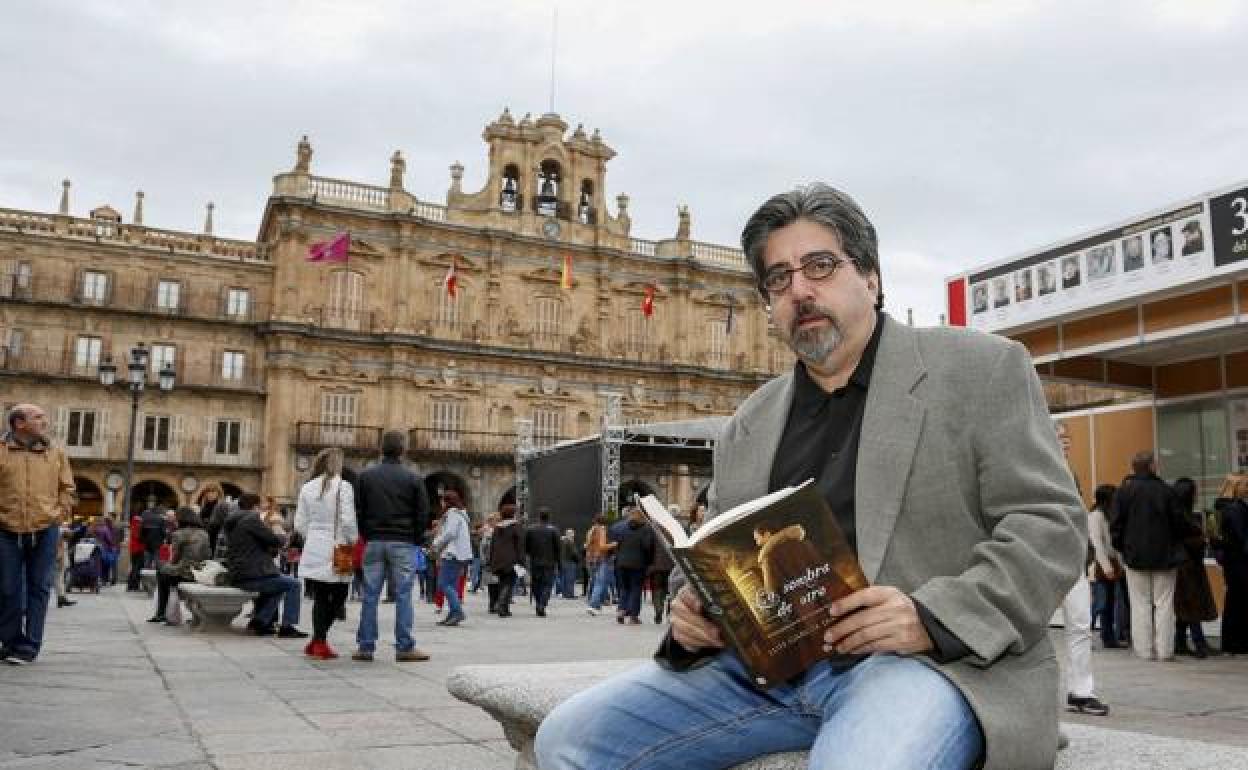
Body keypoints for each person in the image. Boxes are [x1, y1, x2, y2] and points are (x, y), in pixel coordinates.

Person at [535, 183, 1085, 770]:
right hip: (759, 675)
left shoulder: (978, 368)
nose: (799, 289)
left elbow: (1049, 525)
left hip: (928, 668)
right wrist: (692, 613)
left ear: (870, 277)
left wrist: (930, 618)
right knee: (567, 737)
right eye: (778, 278)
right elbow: (712, 557)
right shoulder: (751, 422)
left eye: (820, 266)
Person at [0, 403, 76, 664]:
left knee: (39, 587)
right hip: (6, 529)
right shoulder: (1, 451)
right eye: (38, 417)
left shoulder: (56, 453)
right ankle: (10, 641)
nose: (45, 421)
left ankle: (30, 646)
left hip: (46, 529)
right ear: (19, 423)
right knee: (7, 588)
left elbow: (68, 488)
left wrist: (57, 514)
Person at [352, 430, 431, 662]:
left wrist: (368, 535)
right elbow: (423, 512)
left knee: (370, 595)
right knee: (404, 594)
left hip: (374, 541)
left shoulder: (365, 477)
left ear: (381, 449)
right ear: (403, 450)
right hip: (403, 542)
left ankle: (366, 646)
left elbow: (359, 510)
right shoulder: (413, 478)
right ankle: (404, 647)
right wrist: (415, 538)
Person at [1052, 422, 1109, 717]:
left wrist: (1085, 552)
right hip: (1043, 561)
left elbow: (1077, 517)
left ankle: (1081, 692)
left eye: (1067, 437)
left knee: (1081, 624)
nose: (1066, 442)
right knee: (1029, 629)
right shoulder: (1034, 469)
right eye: (1059, 436)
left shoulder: (1069, 473)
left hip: (1072, 560)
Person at [1110, 450, 1189, 661]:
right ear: (1153, 466)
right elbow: (1180, 523)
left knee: (1139, 604)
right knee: (1164, 603)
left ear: (1133, 467)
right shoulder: (1167, 491)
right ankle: (1165, 650)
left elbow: (1115, 526)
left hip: (1134, 556)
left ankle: (1144, 651)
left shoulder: (1123, 492)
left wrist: (1123, 549)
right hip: (1166, 555)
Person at [293, 447, 357, 660]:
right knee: (340, 595)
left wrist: (313, 536)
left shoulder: (307, 487)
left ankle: (316, 641)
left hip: (315, 544)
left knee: (320, 595)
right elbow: (347, 521)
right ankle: (319, 641)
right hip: (341, 546)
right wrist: (354, 541)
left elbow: (300, 523)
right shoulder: (344, 487)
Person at [225, 492, 308, 639]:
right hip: (251, 575)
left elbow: (257, 545)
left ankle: (260, 622)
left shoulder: (235, 520)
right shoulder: (251, 519)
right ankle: (287, 627)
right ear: (255, 506)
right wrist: (281, 531)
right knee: (294, 584)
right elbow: (275, 540)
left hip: (241, 573)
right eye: (261, 505)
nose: (263, 508)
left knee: (278, 587)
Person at [1171, 477, 1219, 658]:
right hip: (1186, 566)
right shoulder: (1182, 517)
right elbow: (1183, 540)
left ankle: (1181, 642)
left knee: (1185, 607)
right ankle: (1198, 643)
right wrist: (1202, 540)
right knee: (1191, 605)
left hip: (1189, 565)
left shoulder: (1183, 514)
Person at [148, 507, 211, 625]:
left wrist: (165, 565)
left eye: (176, 519)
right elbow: (207, 555)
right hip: (200, 572)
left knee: (161, 570)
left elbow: (174, 559)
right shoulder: (204, 533)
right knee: (164, 571)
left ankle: (161, 612)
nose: (175, 521)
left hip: (184, 573)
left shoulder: (178, 534)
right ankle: (162, 613)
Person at [1213, 473, 1248, 655]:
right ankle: (1238, 642)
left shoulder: (1221, 507)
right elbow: (1243, 537)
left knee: (1234, 601)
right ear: (1236, 487)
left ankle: (1231, 642)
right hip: (1239, 562)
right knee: (1239, 602)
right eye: (1245, 485)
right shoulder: (1236, 509)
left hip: (1231, 561)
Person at [1087, 484, 1123, 649]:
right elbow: (1097, 544)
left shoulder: (1108, 515)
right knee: (1101, 603)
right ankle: (1087, 635)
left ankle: (1108, 638)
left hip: (1110, 563)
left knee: (1108, 603)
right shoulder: (1096, 516)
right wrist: (1107, 567)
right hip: (1101, 565)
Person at [431, 490, 471, 627]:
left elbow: (450, 533)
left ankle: (458, 612)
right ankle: (452, 614)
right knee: (452, 585)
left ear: (447, 502)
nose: (441, 503)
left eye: (442, 500)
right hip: (459, 553)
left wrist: (436, 543)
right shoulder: (460, 514)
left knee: (443, 584)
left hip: (453, 553)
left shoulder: (453, 514)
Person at [611, 506, 654, 626]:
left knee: (624, 588)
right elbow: (647, 547)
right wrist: (649, 562)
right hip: (638, 564)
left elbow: (615, 544)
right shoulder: (646, 528)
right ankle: (633, 616)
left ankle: (621, 611)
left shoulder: (621, 527)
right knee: (636, 589)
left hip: (621, 563)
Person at [488, 504, 523, 617]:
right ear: (512, 514)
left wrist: (492, 560)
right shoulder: (515, 526)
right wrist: (521, 560)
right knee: (509, 583)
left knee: (503, 582)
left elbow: (492, 545)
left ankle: (505, 608)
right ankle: (502, 606)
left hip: (498, 560)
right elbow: (519, 545)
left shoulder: (497, 527)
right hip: (511, 560)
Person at [524, 508, 561, 617]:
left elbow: (526, 547)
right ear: (548, 517)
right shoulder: (554, 530)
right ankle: (542, 604)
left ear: (539, 516)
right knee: (547, 585)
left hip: (535, 561)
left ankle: (538, 603)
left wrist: (529, 555)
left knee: (536, 584)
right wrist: (559, 563)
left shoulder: (530, 529)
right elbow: (558, 549)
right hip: (549, 563)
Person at [584, 514, 615, 615]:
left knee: (593, 581)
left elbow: (587, 545)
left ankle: (594, 604)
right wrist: (614, 544)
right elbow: (602, 546)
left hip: (590, 559)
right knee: (600, 583)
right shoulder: (601, 530)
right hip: (600, 558)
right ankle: (593, 605)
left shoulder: (591, 530)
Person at [92, 514, 119, 586]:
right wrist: (113, 545)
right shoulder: (105, 529)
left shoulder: (94, 528)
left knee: (100, 565)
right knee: (107, 565)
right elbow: (109, 540)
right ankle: (107, 579)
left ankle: (101, 579)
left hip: (95, 549)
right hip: (105, 549)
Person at [558, 528, 580, 599]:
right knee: (570, 579)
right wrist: (578, 559)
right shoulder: (569, 541)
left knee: (564, 579)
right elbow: (574, 553)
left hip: (563, 561)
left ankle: (565, 593)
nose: (573, 535)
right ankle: (570, 594)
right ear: (568, 534)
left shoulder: (563, 541)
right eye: (572, 533)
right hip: (570, 562)